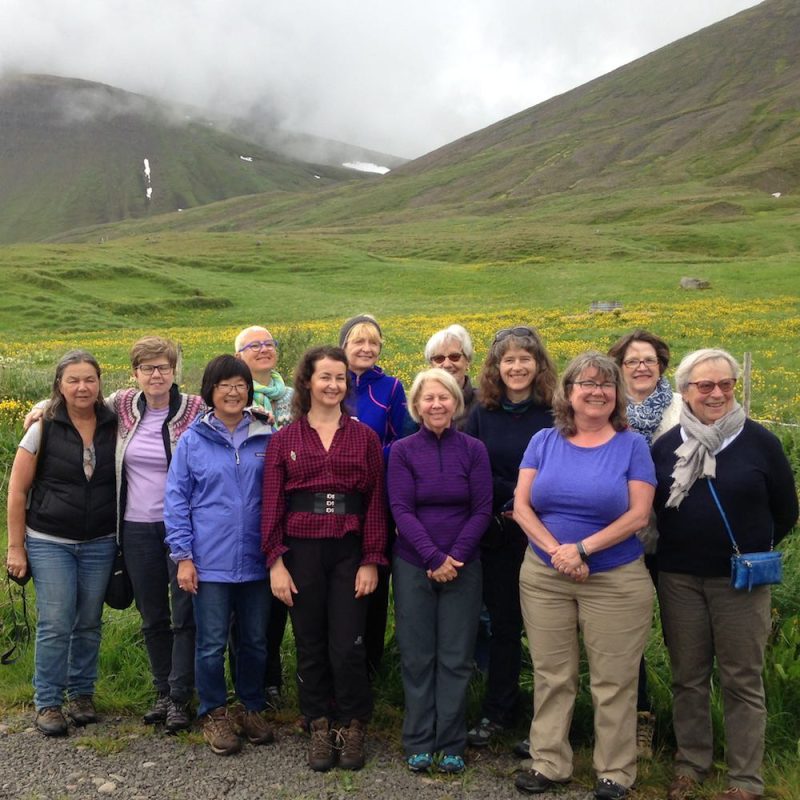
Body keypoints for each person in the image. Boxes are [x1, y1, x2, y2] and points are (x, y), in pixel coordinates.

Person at [23, 336, 205, 732]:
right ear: (135, 373)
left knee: (184, 615)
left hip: (183, 529)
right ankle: (161, 692)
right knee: (152, 614)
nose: (156, 374)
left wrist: (262, 412)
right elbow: (73, 400)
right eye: (147, 368)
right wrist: (41, 407)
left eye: (163, 367)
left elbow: (232, 411)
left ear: (175, 371)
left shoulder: (194, 408)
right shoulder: (123, 405)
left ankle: (180, 696)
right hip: (135, 528)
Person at [653, 349, 798, 800]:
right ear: (685, 392)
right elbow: (654, 510)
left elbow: (787, 512)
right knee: (688, 676)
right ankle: (691, 765)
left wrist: (752, 551)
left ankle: (744, 779)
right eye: (705, 386)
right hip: (678, 578)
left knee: (742, 678)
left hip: (741, 580)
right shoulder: (665, 446)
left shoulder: (760, 443)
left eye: (726, 384)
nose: (717, 393)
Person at [514, 352, 656, 800]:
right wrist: (558, 552)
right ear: (568, 392)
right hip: (544, 574)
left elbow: (638, 515)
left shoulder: (632, 445)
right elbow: (521, 506)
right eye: (586, 384)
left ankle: (615, 770)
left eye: (606, 385)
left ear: (616, 395)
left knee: (614, 679)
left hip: (614, 578)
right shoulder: (543, 440)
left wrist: (582, 549)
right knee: (552, 673)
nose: (596, 392)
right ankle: (549, 761)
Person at [262, 345, 387, 773]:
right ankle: (317, 722)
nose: (333, 385)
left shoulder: (365, 437)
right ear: (307, 383)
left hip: (350, 553)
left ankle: (352, 723)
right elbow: (272, 505)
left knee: (348, 644)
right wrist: (276, 561)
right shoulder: (285, 439)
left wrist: (371, 558)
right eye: (325, 377)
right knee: (310, 642)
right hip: (301, 552)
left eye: (340, 378)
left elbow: (375, 504)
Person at [164, 355, 274, 757]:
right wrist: (184, 556)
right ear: (210, 392)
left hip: (258, 561)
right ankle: (214, 712)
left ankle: (251, 706)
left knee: (255, 642)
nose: (233, 391)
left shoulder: (267, 434)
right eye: (224, 384)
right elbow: (176, 500)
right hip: (209, 563)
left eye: (240, 384)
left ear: (249, 389)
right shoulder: (193, 440)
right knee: (210, 643)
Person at [6, 350, 117, 736]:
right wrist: (15, 548)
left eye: (89, 379)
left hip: (101, 540)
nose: (82, 387)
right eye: (73, 380)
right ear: (59, 385)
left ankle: (82, 695)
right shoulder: (43, 426)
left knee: (88, 622)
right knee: (56, 622)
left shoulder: (114, 423)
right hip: (49, 540)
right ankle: (49, 702)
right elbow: (17, 491)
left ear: (100, 383)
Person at [388, 368, 492, 774]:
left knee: (455, 656)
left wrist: (455, 557)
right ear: (416, 406)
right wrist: (433, 558)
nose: (436, 405)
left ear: (456, 403)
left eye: (444, 397)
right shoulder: (402, 451)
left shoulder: (473, 450)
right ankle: (418, 739)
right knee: (417, 656)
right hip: (415, 563)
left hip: (464, 566)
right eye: (428, 398)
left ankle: (451, 741)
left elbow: (482, 508)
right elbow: (400, 509)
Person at [462, 325, 556, 748]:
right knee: (504, 625)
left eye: (524, 358)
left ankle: (550, 722)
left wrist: (528, 499)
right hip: (501, 534)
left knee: (550, 630)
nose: (516, 366)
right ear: (496, 367)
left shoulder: (556, 411)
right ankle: (500, 709)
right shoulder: (483, 411)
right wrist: (512, 499)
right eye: (508, 359)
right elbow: (474, 468)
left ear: (538, 365)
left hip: (549, 533)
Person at [608, 328, 682, 757]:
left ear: (661, 366)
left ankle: (688, 729)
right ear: (619, 367)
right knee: (624, 639)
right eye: (632, 360)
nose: (640, 367)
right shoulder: (607, 409)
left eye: (649, 360)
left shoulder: (681, 408)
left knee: (680, 636)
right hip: (623, 539)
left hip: (675, 540)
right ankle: (638, 718)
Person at [339, 314, 409, 675]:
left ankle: (370, 664)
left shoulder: (392, 388)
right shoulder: (331, 382)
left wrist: (366, 456)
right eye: (358, 342)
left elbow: (404, 441)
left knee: (374, 577)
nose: (366, 349)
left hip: (377, 495)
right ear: (344, 346)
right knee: (340, 574)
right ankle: (338, 656)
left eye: (373, 343)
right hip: (332, 498)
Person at [234, 325, 294, 707]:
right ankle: (247, 683)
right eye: (253, 345)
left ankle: (272, 679)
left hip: (290, 509)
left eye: (268, 343)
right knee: (245, 605)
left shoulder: (293, 396)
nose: (262, 349)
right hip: (246, 510)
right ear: (239, 356)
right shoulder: (231, 394)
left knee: (278, 604)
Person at [424, 324, 478, 429]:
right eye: (439, 358)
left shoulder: (484, 404)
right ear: (431, 365)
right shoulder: (421, 406)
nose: (447, 364)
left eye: (455, 357)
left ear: (467, 361)